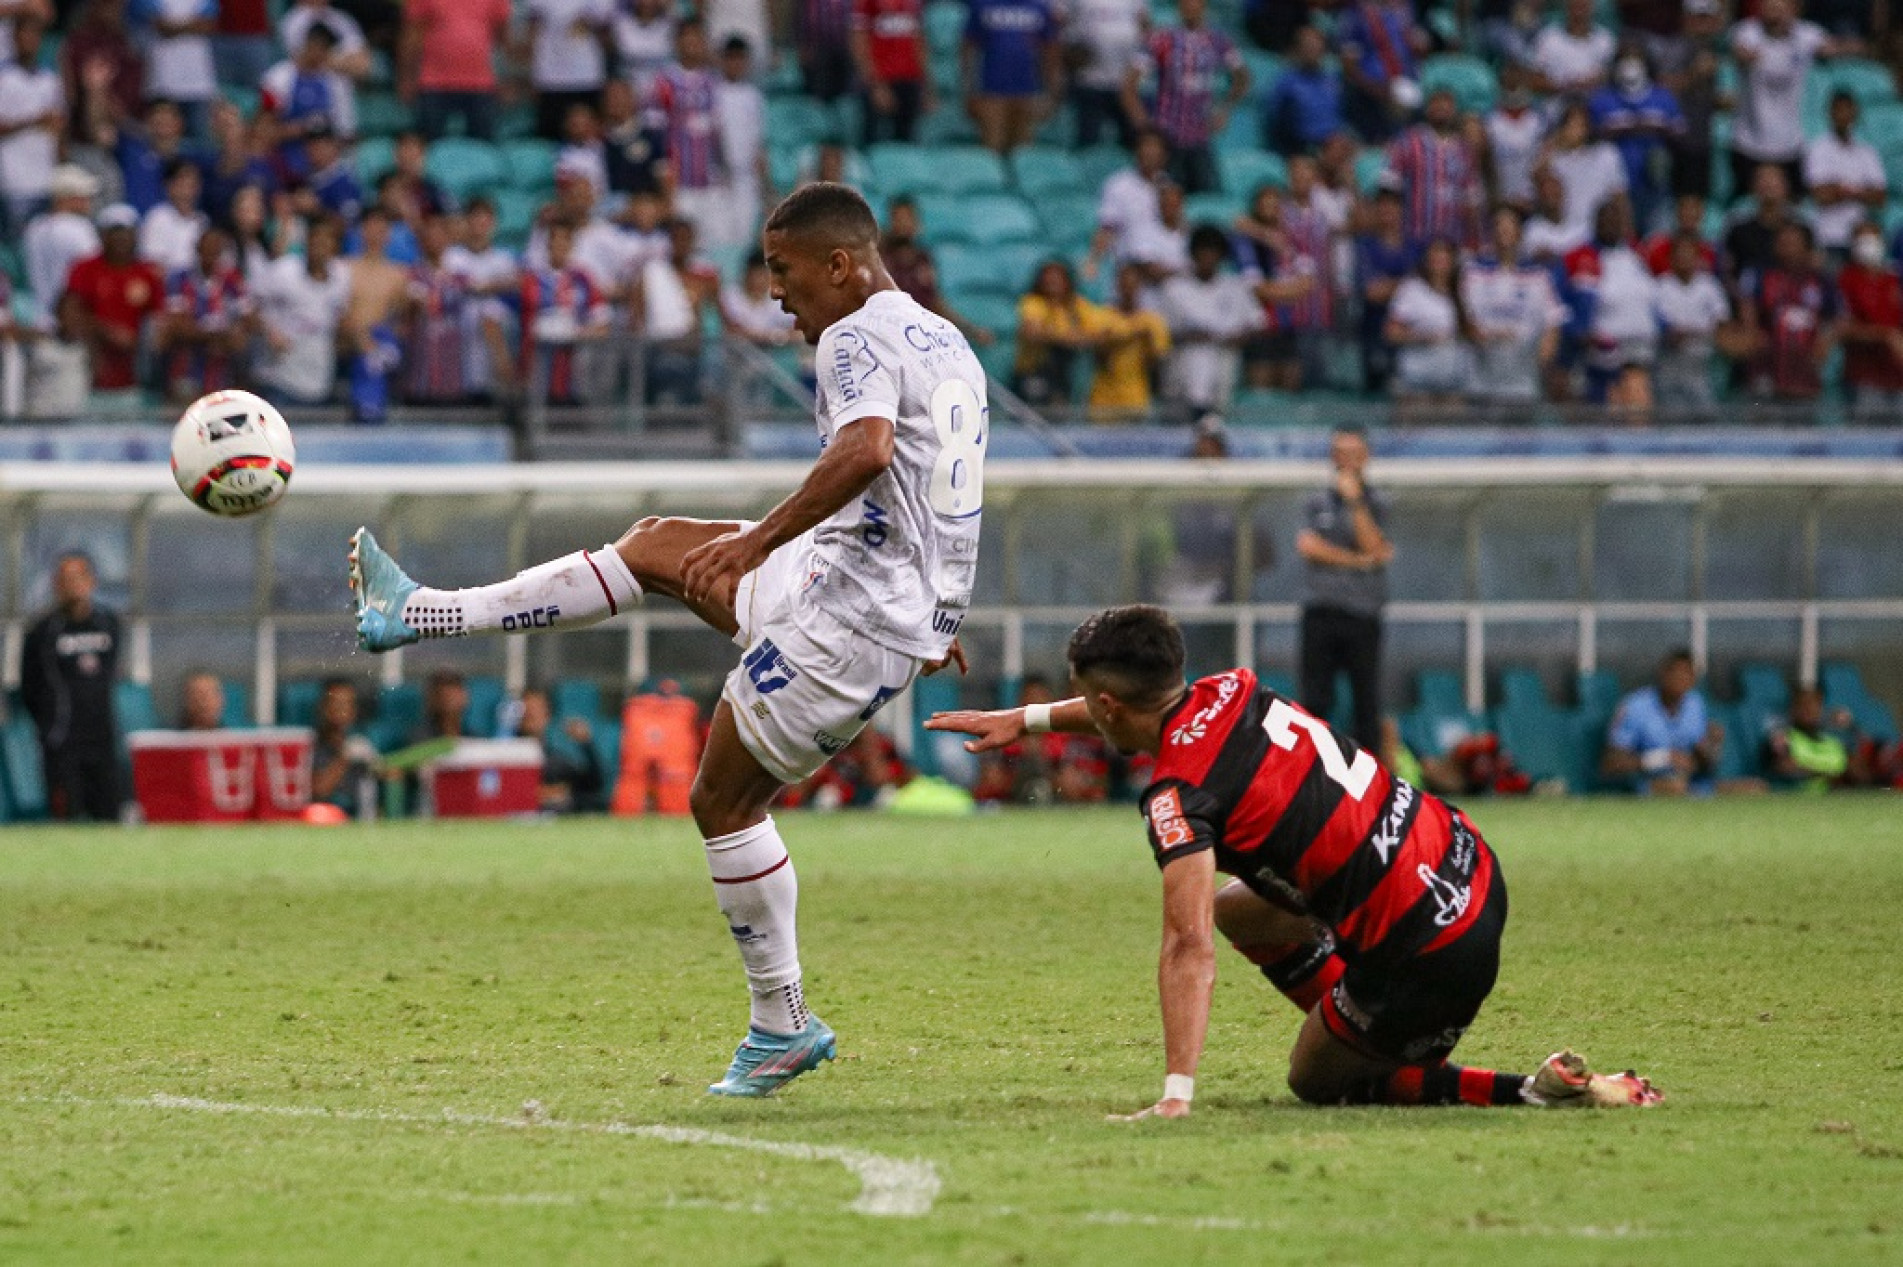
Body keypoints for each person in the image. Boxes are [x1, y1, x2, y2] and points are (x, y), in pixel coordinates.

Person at [348, 182, 986, 1098]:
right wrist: (939, 607)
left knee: (723, 801)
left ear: (841, 264)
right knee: (653, 545)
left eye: (783, 271)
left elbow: (870, 450)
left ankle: (781, 1023)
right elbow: (947, 483)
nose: (775, 293)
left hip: (849, 620)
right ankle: (420, 612)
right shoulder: (943, 337)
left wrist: (761, 543)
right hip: (857, 587)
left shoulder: (852, 337)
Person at [925, 605, 1663, 1116]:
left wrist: (1177, 1089)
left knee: (1314, 1081)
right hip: (1466, 861)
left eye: (1088, 699)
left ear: (1109, 704)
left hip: (1432, 949)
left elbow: (1186, 946)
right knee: (1239, 910)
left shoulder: (1179, 796)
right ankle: (1361, 1022)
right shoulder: (1231, 687)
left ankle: (1531, 1089)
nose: (1086, 707)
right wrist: (1025, 720)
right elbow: (1127, 709)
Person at [1295, 427, 1390, 755]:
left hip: (1363, 614)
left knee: (1366, 700)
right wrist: (1357, 561)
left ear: (1366, 457)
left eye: (1353, 453)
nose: (1346, 461)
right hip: (1320, 611)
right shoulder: (1316, 501)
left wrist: (1354, 501)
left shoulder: (1378, 503)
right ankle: (1312, 773)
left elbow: (1375, 547)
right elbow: (1308, 546)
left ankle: (1371, 778)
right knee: (1315, 701)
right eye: (1340, 453)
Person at [20, 552, 123, 822]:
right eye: (65, 579)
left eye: (79, 577)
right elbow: (28, 687)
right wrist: (49, 725)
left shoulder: (108, 624)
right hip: (62, 742)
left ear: (92, 581)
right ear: (56, 585)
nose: (73, 584)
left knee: (109, 818)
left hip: (102, 739)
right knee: (68, 819)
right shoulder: (43, 631)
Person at [1121, 0, 1249, 195]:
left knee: (1209, 197)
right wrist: (1145, 128)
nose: (1190, 6)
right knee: (1167, 196)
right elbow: (1129, 85)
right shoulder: (1162, 40)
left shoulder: (1218, 41)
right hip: (1168, 136)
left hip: (1201, 136)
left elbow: (1242, 77)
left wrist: (1225, 108)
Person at [1729, 0, 1854, 199]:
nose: (1775, 15)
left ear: (1793, 10)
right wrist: (1744, 57)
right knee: (1748, 206)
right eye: (1770, 9)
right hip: (1749, 142)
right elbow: (1739, 51)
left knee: (1793, 206)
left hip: (1790, 144)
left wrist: (1833, 50)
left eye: (1780, 9)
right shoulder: (1748, 32)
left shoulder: (1807, 34)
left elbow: (1835, 47)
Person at [1155, 223, 1263, 417]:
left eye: (1213, 252)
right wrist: (1189, 336)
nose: (1208, 257)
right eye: (1202, 252)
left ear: (1221, 255)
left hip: (1224, 364)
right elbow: (1160, 331)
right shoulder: (1174, 289)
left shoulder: (1235, 287)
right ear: (1193, 254)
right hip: (1183, 368)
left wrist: (1237, 337)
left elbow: (1257, 324)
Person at [1461, 205, 1564, 405]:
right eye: (1499, 225)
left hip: (1522, 380)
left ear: (1520, 233)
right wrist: (1483, 336)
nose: (1504, 231)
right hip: (1482, 377)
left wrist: (1541, 358)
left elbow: (1553, 321)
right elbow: (1462, 316)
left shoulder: (1538, 275)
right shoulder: (1472, 272)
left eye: (1509, 225)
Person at [1564, 197, 1660, 413]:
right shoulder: (1580, 257)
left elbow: (1654, 301)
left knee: (1639, 412)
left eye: (1616, 220)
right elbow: (1563, 308)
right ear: (1595, 222)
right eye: (1605, 219)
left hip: (1643, 354)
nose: (1611, 225)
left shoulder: (1638, 257)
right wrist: (1579, 332)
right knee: (1607, 413)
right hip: (1602, 359)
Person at [62, 203, 165, 401]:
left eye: (126, 233)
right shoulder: (85, 268)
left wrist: (144, 342)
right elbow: (70, 313)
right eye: (114, 234)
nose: (121, 240)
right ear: (103, 236)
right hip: (92, 362)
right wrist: (106, 331)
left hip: (134, 363)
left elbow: (158, 316)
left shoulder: (147, 272)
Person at [253, 212, 350, 405]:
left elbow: (337, 317)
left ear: (335, 245)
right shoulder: (283, 270)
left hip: (319, 381)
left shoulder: (341, 276)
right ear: (307, 241)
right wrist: (270, 332)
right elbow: (249, 307)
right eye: (316, 238)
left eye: (327, 239)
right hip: (279, 380)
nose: (320, 245)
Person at [1602, 648, 1726, 796]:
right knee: (1675, 788)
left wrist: (1712, 747)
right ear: (1663, 674)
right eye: (1677, 673)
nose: (1682, 679)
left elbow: (1701, 763)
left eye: (1688, 674)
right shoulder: (1635, 706)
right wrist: (1662, 758)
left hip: (1692, 783)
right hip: (1647, 785)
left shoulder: (1695, 703)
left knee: (1747, 787)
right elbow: (1611, 764)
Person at [1739, 220, 1839, 403]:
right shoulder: (1761, 274)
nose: (1786, 246)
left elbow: (1838, 318)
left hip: (1807, 365)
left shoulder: (1821, 280)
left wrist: (1826, 341)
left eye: (1792, 242)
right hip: (1768, 365)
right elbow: (1748, 309)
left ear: (1806, 247)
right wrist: (1752, 333)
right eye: (1782, 241)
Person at [1588, 49, 1683, 234]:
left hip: (1655, 185)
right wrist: (1621, 129)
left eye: (1635, 59)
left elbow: (1680, 133)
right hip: (1616, 188)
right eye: (1625, 59)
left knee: (1657, 237)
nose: (1630, 66)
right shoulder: (1602, 100)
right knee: (1623, 238)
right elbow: (1591, 137)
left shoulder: (1663, 98)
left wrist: (1657, 127)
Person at [156, 223, 253, 400]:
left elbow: (247, 320)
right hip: (188, 364)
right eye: (207, 249)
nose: (211, 255)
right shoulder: (179, 278)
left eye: (216, 251)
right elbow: (178, 326)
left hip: (222, 368)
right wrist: (218, 335)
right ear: (197, 249)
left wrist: (222, 333)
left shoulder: (232, 280)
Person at [1385, 88, 1483, 253]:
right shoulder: (1410, 142)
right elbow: (1389, 187)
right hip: (1415, 235)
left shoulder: (1463, 151)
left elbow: (1471, 199)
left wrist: (1474, 239)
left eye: (1446, 104)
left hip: (1453, 240)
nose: (1442, 108)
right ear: (1428, 108)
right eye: (1437, 103)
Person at [399, 0, 511, 142]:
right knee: (429, 144)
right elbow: (412, 36)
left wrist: (506, 79)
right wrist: (406, 77)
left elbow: (502, 39)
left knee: (483, 146)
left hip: (481, 84)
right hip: (434, 82)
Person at [1385, 237, 1476, 406]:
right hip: (1417, 381)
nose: (1439, 261)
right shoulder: (1412, 289)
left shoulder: (1462, 291)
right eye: (1435, 255)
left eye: (1444, 255)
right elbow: (1392, 332)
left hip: (1452, 380)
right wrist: (1425, 337)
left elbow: (1470, 331)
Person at [1013, 258, 1113, 408]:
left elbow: (1102, 332)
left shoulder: (1076, 305)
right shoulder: (1033, 302)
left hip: (1065, 375)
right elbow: (1032, 332)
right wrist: (1068, 338)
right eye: (1048, 278)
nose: (1053, 282)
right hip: (1034, 372)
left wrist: (1067, 337)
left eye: (1057, 278)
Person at [963, 0, 1057, 155]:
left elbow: (1050, 51)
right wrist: (969, 89)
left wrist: (1050, 92)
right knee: (992, 149)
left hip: (1028, 90)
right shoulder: (982, 6)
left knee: (1023, 151)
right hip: (991, 90)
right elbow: (968, 47)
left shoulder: (1040, 9)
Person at [0, 14, 64, 240]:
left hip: (46, 178)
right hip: (13, 180)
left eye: (34, 35)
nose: (29, 40)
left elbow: (59, 127)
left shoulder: (50, 79)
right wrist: (34, 121)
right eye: (24, 35)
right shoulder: (4, 78)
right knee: (15, 245)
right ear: (14, 39)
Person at [1803, 91, 1885, 263]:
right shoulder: (1818, 149)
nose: (1843, 115)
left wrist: (1840, 189)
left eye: (1848, 110)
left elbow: (1880, 196)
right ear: (1830, 113)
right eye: (1839, 110)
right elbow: (1820, 195)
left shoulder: (1866, 151)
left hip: (1860, 237)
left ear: (1855, 113)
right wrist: (1861, 191)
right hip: (1828, 236)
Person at [1653, 230, 1732, 409]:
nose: (1684, 258)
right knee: (1672, 415)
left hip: (1702, 365)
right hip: (1670, 364)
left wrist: (1693, 333)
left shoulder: (1709, 285)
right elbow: (1660, 325)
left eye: (1689, 253)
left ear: (1697, 257)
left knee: (1706, 414)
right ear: (1671, 257)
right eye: (1679, 253)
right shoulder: (1660, 287)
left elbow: (1722, 323)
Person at [1333, 0, 1426, 147]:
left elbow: (1413, 50)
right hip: (1371, 89)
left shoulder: (1400, 11)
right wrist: (1376, 89)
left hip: (1405, 82)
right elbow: (1349, 66)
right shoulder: (1354, 17)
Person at [521, 0, 614, 142]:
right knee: (550, 138)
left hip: (587, 76)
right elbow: (532, 30)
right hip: (550, 78)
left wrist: (589, 24)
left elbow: (607, 32)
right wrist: (533, 73)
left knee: (589, 138)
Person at [1837, 220, 1903, 417]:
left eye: (1872, 238)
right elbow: (1842, 328)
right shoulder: (1845, 279)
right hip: (1864, 376)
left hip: (1897, 374)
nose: (1868, 244)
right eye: (1862, 239)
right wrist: (1885, 335)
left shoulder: (1894, 279)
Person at [1090, 261, 1171, 418]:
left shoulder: (1152, 320)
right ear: (1117, 285)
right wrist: (1128, 336)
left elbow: (1156, 364)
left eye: (1133, 284)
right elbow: (1098, 357)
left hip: (1136, 395)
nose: (1128, 290)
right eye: (1124, 284)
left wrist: (1146, 341)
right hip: (1103, 396)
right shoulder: (1102, 315)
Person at [1353, 183, 1413, 393]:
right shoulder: (1364, 246)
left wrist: (1390, 285)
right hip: (1374, 334)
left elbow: (1426, 288)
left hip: (1409, 336)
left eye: (1393, 205)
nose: (1388, 211)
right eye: (1382, 205)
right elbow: (1372, 292)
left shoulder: (1414, 247)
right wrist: (1406, 285)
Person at [1539, 100, 1627, 242]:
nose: (1576, 129)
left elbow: (1619, 196)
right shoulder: (1557, 158)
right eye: (1571, 123)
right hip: (1568, 231)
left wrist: (1626, 230)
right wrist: (1556, 141)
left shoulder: (1606, 154)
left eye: (1581, 124)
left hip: (1601, 232)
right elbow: (1536, 176)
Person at [1063, 0, 1144, 149]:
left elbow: (1143, 23)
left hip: (1124, 82)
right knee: (1088, 143)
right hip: (1089, 81)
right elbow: (1063, 23)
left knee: (1132, 143)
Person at [514, 685, 606, 813]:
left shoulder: (557, 760)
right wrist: (542, 793)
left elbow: (593, 786)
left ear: (547, 716)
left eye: (537, 709)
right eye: (527, 710)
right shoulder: (506, 755)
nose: (531, 714)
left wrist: (587, 745)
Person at [1762, 685, 1868, 792]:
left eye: (1814, 705)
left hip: (1835, 798)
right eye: (1803, 704)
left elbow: (1860, 774)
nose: (1808, 710)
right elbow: (1785, 768)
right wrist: (1830, 775)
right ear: (1793, 708)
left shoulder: (1834, 741)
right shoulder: (1783, 739)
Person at [852, 0, 929, 146]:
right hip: (881, 79)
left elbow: (919, 42)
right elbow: (859, 41)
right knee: (874, 140)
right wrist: (876, 86)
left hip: (909, 79)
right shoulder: (866, 3)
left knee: (906, 140)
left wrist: (926, 86)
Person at [1263, 26, 1343, 159]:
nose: (1313, 50)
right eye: (1308, 46)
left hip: (1333, 145)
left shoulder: (1332, 80)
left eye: (1317, 46)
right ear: (1297, 49)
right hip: (1301, 149)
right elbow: (1277, 125)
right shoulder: (1286, 84)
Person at [310, 676, 378, 818]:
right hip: (323, 820)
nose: (341, 710)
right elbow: (319, 791)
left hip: (359, 819)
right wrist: (345, 758)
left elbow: (389, 776)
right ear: (323, 708)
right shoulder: (311, 744)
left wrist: (377, 765)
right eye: (336, 704)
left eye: (347, 704)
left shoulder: (361, 740)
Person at [1529, 0, 1614, 97]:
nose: (1579, 8)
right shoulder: (1548, 38)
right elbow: (1534, 81)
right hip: (1558, 102)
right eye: (1575, 4)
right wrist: (1566, 85)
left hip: (1594, 103)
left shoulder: (1605, 40)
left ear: (1592, 7)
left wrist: (1596, 81)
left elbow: (1611, 78)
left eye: (1583, 5)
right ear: (1566, 6)